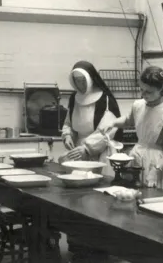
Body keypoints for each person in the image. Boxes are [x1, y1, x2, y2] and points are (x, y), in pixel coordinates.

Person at [61, 60, 123, 262]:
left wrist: (87, 148)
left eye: (82, 80)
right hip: (79, 152)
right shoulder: (74, 98)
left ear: (90, 79)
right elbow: (68, 122)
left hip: (99, 153)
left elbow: (108, 130)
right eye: (76, 81)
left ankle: (98, 250)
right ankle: (77, 245)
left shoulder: (105, 100)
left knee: (96, 202)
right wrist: (68, 135)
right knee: (76, 200)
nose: (79, 85)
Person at [102, 66, 163, 191]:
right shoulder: (138, 105)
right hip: (137, 157)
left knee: (154, 200)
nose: (143, 95)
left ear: (161, 88)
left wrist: (156, 170)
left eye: (148, 92)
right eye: (141, 90)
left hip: (159, 163)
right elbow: (129, 121)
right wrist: (112, 123)